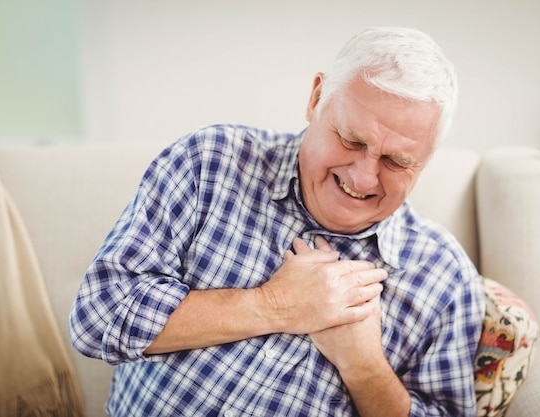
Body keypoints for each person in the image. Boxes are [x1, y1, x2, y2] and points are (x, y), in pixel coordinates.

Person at [69, 26, 485, 416]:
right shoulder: (209, 162)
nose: (363, 177)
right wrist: (276, 305)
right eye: (351, 140)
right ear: (316, 97)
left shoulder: (445, 279)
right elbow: (98, 317)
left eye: (396, 161)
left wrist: (365, 368)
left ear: (426, 161)